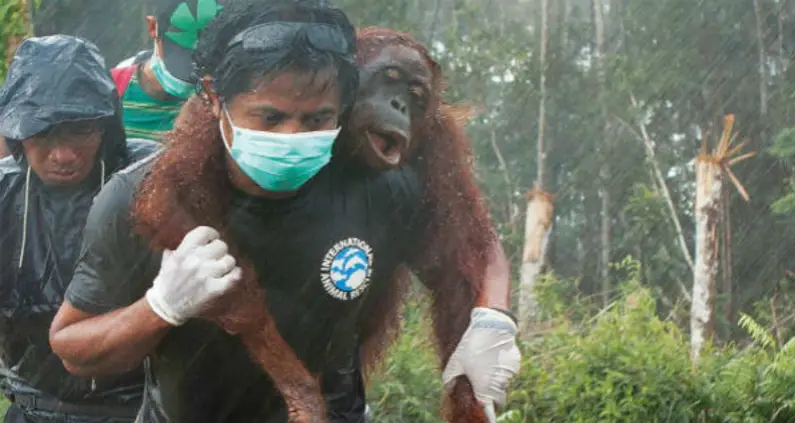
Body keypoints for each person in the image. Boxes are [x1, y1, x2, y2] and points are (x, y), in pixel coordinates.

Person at [48, 1, 520, 422]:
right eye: (270, 118)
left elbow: (471, 247)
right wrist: (159, 308)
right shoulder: (151, 190)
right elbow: (73, 347)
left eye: (316, 119)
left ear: (341, 102)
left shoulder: (385, 188)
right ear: (214, 100)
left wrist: (491, 320)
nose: (293, 136)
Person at [0, 35, 159, 422]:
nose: (64, 155)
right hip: (34, 406)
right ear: (18, 133)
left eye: (81, 131)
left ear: (106, 127)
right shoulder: (5, 194)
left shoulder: (151, 180)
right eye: (42, 134)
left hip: (136, 411)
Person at [111, 0, 226, 142]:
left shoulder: (224, 102)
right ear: (153, 28)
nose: (189, 78)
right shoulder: (109, 88)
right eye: (183, 55)